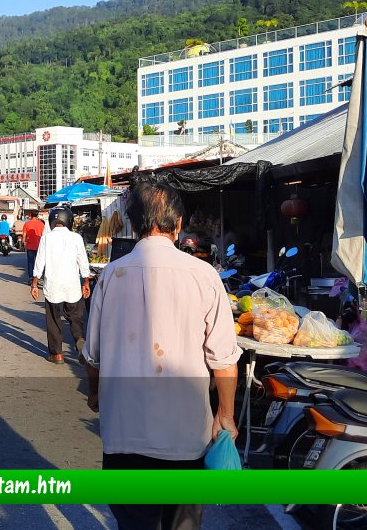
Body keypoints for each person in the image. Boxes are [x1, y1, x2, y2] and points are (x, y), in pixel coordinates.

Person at [83, 182, 240, 530]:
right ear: (179, 223)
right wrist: (225, 414)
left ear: (132, 222)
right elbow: (224, 360)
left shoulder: (110, 275)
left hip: (124, 437)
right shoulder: (204, 276)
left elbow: (92, 356)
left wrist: (94, 394)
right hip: (186, 439)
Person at [30, 206, 90, 364]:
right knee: (75, 317)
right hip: (72, 285)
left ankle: (56, 354)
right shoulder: (76, 238)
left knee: (54, 320)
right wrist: (86, 281)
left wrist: (35, 283)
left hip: (53, 285)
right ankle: (79, 339)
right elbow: (83, 261)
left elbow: (39, 262)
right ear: (69, 221)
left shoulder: (46, 238)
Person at [23, 212, 45, 280]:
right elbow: (44, 234)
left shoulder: (27, 223)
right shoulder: (41, 224)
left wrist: (24, 243)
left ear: (30, 215)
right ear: (37, 215)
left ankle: (31, 277)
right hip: (39, 246)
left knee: (30, 262)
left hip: (30, 245)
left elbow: (24, 234)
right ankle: (38, 277)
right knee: (39, 262)